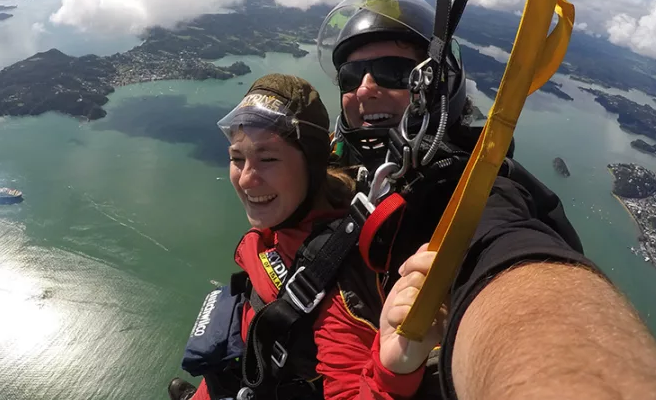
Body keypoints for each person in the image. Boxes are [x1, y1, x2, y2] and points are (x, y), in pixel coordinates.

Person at [317, 0, 656, 399]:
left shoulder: (471, 192)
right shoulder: (365, 176)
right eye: (351, 77)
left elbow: (507, 249)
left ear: (438, 85)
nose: (365, 89)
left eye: (392, 72)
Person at [168, 74, 448, 400]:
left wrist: (393, 371)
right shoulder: (287, 212)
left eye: (267, 159)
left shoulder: (336, 286)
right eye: (237, 158)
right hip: (239, 367)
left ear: (312, 164)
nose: (246, 179)